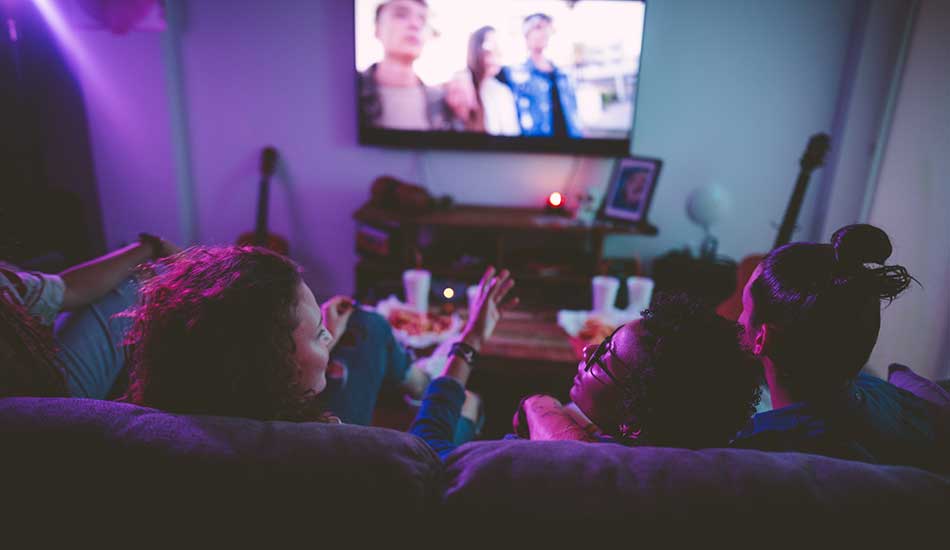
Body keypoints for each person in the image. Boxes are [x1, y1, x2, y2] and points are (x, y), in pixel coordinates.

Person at [121, 246, 478, 439]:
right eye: (318, 333)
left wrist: (322, 335)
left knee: (366, 322)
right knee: (469, 406)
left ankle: (415, 377)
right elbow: (427, 455)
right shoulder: (332, 446)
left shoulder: (160, 422)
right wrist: (465, 348)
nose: (327, 334)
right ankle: (425, 380)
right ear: (273, 366)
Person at [410, 279, 761, 459]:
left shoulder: (525, 464)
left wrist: (469, 343)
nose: (590, 349)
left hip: (453, 452)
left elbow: (426, 454)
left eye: (605, 356)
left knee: (462, 401)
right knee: (470, 406)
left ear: (631, 421)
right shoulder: (676, 464)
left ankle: (424, 381)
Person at [731, 224, 950, 472]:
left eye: (744, 306)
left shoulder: (760, 446)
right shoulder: (882, 391)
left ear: (762, 337)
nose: (738, 318)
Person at [0, 233, 178, 398]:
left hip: (29, 379)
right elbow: (70, 290)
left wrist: (150, 247)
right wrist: (153, 248)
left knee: (55, 261)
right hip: (44, 397)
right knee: (141, 282)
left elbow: (64, 289)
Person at [358, 0, 463, 131]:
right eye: (401, 14)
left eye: (422, 19)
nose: (415, 24)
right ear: (377, 29)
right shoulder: (347, 91)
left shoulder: (444, 103)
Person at [499, 13, 582, 138]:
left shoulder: (563, 75)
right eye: (538, 27)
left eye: (547, 28)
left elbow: (574, 115)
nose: (544, 32)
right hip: (537, 151)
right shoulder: (514, 74)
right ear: (526, 34)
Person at [459, 26, 520, 136]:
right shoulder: (461, 85)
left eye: (499, 47)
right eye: (491, 47)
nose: (496, 54)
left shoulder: (503, 92)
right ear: (475, 48)